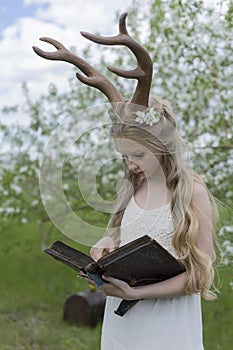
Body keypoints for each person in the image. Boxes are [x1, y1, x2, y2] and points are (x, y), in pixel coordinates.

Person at [88, 96, 219, 350]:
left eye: (138, 154)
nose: (130, 164)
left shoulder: (192, 193)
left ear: (163, 145)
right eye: (124, 156)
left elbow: (200, 276)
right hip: (122, 319)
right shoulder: (133, 186)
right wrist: (110, 241)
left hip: (166, 323)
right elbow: (127, 236)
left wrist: (137, 293)